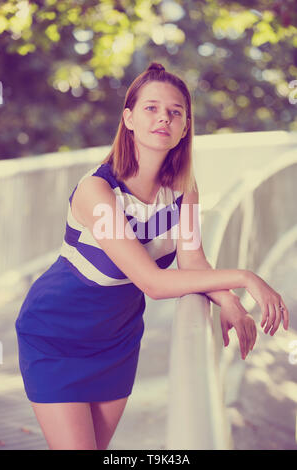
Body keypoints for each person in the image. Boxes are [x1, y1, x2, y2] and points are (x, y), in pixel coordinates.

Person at [15, 62, 289, 450]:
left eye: (175, 112)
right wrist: (245, 278)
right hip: (57, 334)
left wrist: (227, 300)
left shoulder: (183, 190)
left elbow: (192, 261)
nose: (164, 118)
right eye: (151, 108)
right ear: (128, 118)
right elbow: (153, 283)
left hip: (117, 340)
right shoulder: (98, 191)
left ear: (184, 127)